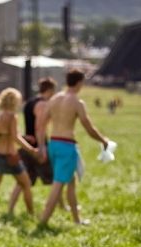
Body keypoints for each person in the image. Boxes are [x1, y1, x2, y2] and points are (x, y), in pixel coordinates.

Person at [37, 69, 110, 226]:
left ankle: (77, 220)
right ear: (79, 82)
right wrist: (104, 141)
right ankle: (43, 221)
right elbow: (89, 128)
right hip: (67, 146)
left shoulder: (55, 98)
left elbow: (41, 124)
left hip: (54, 145)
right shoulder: (77, 102)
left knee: (71, 182)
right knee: (58, 184)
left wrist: (42, 146)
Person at [0, 87, 39, 220]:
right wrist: (31, 149)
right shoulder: (13, 116)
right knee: (26, 184)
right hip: (11, 156)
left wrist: (23, 137)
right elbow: (15, 137)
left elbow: (4, 135)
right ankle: (31, 214)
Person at [7, 77, 60, 215]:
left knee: (23, 180)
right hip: (37, 146)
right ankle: (61, 206)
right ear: (49, 90)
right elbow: (39, 127)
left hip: (27, 145)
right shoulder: (42, 104)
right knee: (56, 178)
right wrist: (42, 148)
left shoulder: (30, 102)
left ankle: (11, 208)